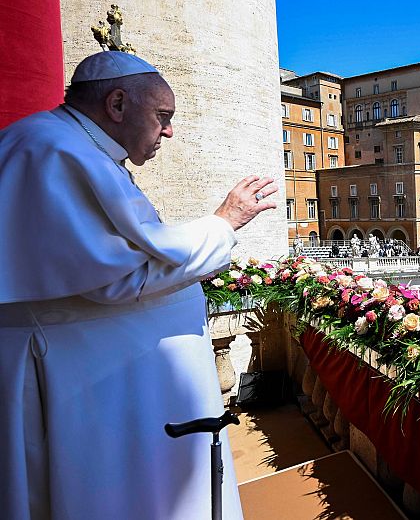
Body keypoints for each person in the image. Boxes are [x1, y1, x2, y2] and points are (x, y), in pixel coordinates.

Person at [0, 51, 276, 519]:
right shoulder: (55, 151)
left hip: (96, 370)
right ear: (118, 103)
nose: (169, 132)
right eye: (162, 116)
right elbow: (118, 278)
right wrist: (224, 223)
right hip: (80, 378)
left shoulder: (67, 146)